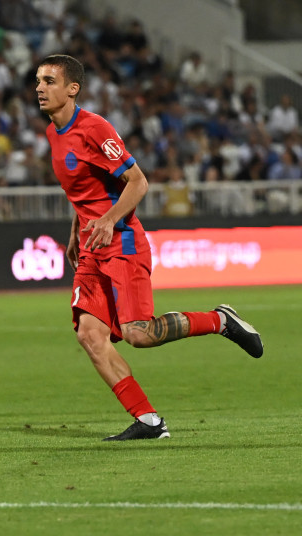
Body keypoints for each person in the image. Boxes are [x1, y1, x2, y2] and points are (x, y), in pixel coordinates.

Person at [34, 54, 264, 441]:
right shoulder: (52, 134)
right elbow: (86, 190)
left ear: (73, 89)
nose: (40, 87)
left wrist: (107, 220)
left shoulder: (95, 129)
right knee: (90, 335)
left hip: (122, 242)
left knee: (138, 333)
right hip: (93, 246)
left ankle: (220, 320)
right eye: (38, 80)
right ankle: (149, 421)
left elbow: (138, 182)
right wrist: (77, 228)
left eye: (49, 81)